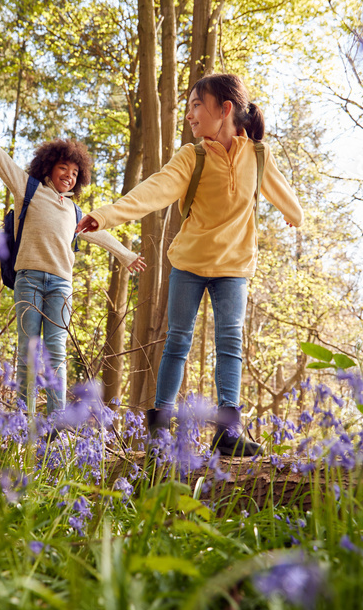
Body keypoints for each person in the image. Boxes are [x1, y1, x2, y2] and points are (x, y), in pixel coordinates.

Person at [77, 73, 303, 456]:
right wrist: (106, 215)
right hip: (189, 265)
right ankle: (160, 429)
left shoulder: (258, 155)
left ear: (225, 110)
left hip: (234, 268)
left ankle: (227, 434)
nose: (190, 116)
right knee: (178, 342)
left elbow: (285, 195)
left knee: (230, 342)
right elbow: (153, 190)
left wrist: (293, 215)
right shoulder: (191, 156)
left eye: (197, 106)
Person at [0, 87, 145, 416]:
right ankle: (23, 421)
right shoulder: (27, 189)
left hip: (61, 285)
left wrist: (127, 257)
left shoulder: (74, 213)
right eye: (63, 169)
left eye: (74, 174)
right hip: (28, 280)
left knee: (55, 350)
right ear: (48, 168)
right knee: (28, 350)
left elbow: (102, 236)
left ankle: (57, 421)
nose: (68, 177)